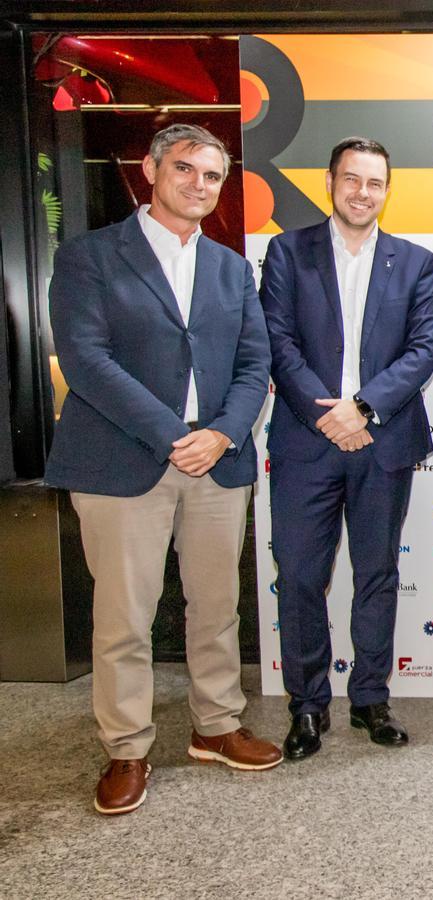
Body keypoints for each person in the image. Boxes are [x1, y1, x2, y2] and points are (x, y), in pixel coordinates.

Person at [46, 123, 280, 815]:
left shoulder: (232, 268)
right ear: (150, 170)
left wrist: (222, 433)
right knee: (124, 616)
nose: (198, 185)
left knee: (216, 606)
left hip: (216, 463)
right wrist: (175, 436)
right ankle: (126, 748)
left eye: (212, 175)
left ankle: (217, 726)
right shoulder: (89, 257)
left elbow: (255, 363)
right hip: (123, 461)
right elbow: (86, 360)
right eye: (184, 169)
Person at [259, 136, 433, 759]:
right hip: (305, 441)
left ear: (388, 190)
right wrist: (328, 416)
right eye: (352, 180)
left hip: (382, 441)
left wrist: (362, 409)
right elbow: (277, 341)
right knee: (300, 577)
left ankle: (370, 697)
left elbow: (423, 349)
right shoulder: (287, 252)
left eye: (375, 183)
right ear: (330, 182)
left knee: (377, 574)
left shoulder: (415, 261)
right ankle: (307, 705)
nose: (363, 193)